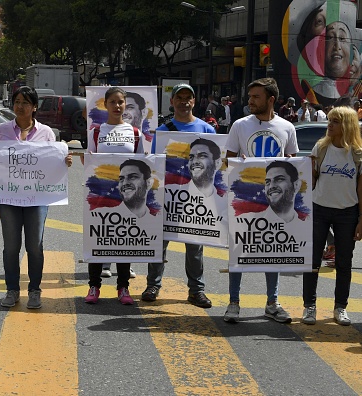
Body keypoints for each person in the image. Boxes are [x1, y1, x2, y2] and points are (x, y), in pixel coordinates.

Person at [0, 86, 73, 309]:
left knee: (34, 245)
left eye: (25, 102)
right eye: (17, 101)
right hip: (7, 198)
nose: (20, 106)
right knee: (11, 246)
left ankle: (34, 290)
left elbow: (52, 163)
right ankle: (12, 290)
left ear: (34, 107)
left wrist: (64, 162)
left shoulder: (47, 133)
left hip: (37, 198)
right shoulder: (1, 130)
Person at [224, 77, 298, 324]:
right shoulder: (239, 125)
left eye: (256, 97)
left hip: (275, 201)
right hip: (246, 198)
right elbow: (227, 162)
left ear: (271, 99)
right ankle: (233, 303)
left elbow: (293, 163)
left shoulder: (287, 127)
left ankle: (272, 303)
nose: (250, 101)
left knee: (273, 249)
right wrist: (240, 165)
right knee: (240, 248)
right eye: (250, 96)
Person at [144, 83, 215, 308]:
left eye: (188, 98)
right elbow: (155, 164)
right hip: (167, 197)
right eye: (180, 97)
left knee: (195, 246)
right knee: (159, 243)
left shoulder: (207, 130)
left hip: (196, 198)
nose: (184, 102)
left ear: (194, 102)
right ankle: (153, 285)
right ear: (172, 102)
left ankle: (196, 290)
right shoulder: (163, 131)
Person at [83, 87, 144, 305]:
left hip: (127, 196)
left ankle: (123, 288)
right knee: (98, 237)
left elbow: (143, 164)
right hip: (101, 195)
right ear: (105, 105)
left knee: (124, 239)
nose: (117, 106)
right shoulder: (96, 132)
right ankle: (94, 286)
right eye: (113, 102)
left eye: (121, 102)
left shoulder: (136, 133)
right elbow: (89, 162)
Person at [303, 106, 362, 326]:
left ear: (346, 125)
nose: (329, 125)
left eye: (335, 121)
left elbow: (360, 188)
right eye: (329, 120)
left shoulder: (357, 153)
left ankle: (340, 307)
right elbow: (312, 180)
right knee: (313, 261)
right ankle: (309, 306)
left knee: (344, 263)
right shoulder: (321, 148)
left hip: (348, 213)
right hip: (319, 209)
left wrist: (361, 219)